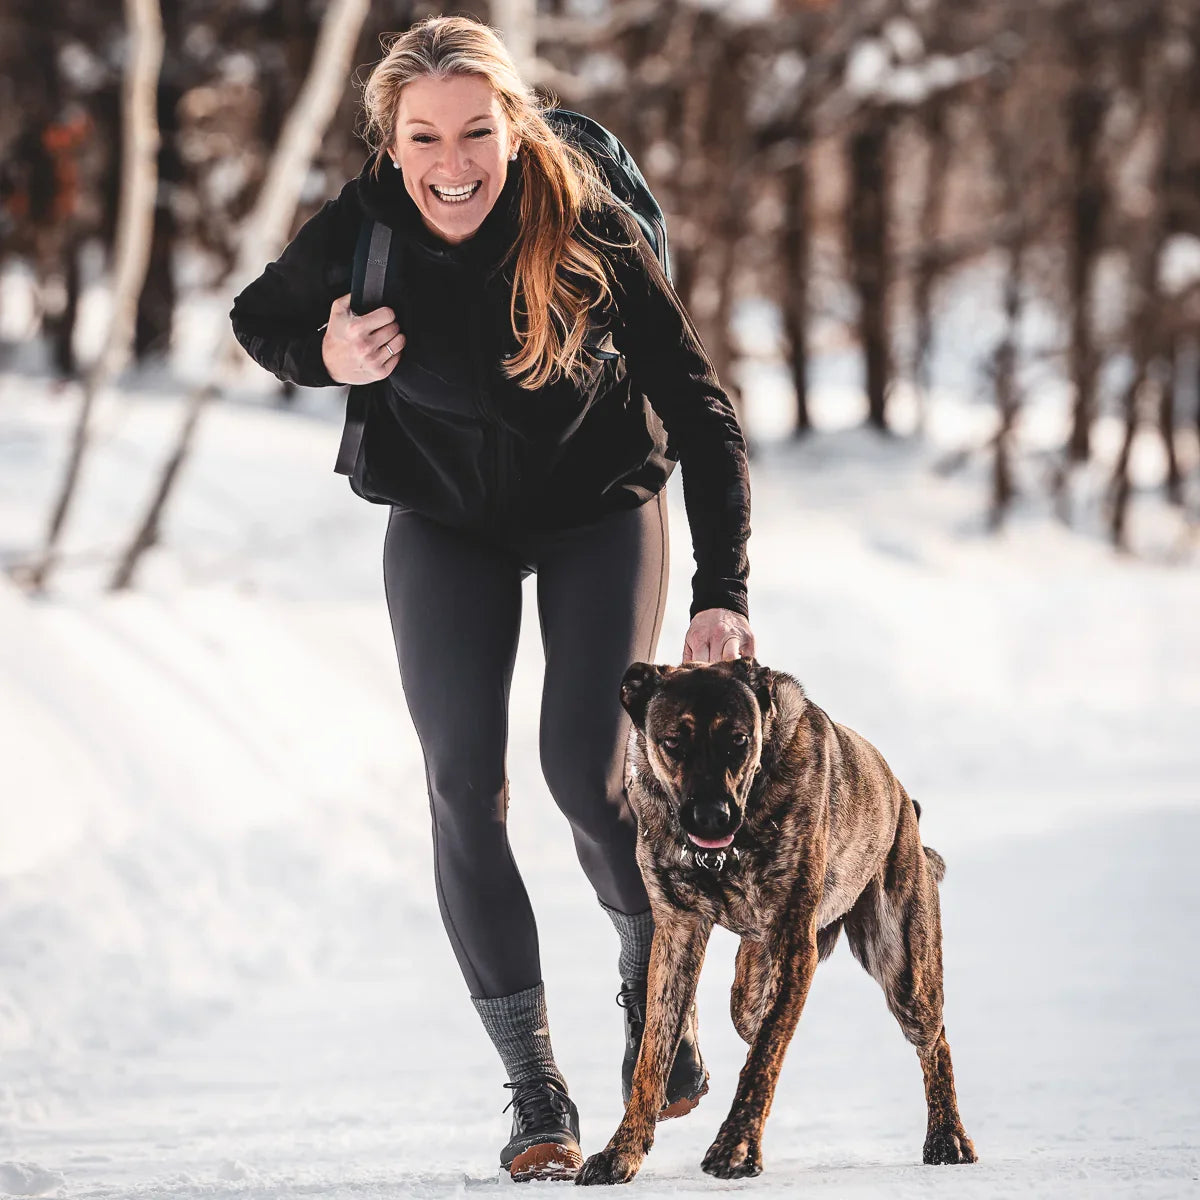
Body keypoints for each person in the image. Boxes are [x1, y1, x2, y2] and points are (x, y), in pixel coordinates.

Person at [230, 13, 754, 1182]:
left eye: (476, 131)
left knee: (587, 770)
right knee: (463, 788)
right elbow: (258, 320)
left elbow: (703, 411)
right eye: (425, 137)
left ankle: (653, 1000)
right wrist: (329, 354)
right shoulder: (362, 224)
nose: (452, 163)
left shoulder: (588, 229)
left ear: (513, 129)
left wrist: (723, 590)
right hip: (443, 524)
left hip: (598, 512)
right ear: (392, 138)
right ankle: (536, 1093)